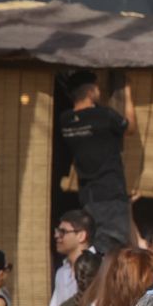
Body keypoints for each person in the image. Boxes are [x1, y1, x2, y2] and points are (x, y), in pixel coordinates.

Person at [59, 71, 136, 253]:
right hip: (110, 192)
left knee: (93, 246)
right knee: (114, 250)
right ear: (91, 92)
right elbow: (130, 128)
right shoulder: (104, 116)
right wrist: (128, 93)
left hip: (88, 196)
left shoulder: (65, 121)